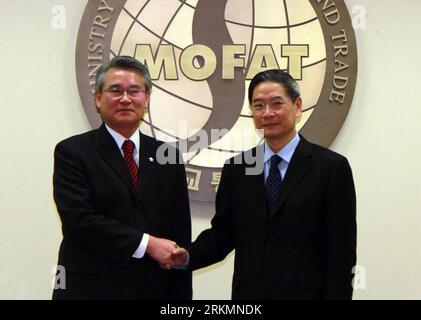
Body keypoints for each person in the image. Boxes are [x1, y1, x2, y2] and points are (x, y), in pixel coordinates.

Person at [171, 69, 357, 300]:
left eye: (276, 103)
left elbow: (341, 252)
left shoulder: (330, 168)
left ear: (297, 106)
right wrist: (188, 255)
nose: (267, 113)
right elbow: (223, 233)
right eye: (258, 106)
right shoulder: (237, 168)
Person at [52, 56, 192, 300]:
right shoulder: (73, 152)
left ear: (146, 98)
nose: (125, 99)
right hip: (91, 290)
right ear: (98, 98)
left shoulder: (168, 156)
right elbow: (80, 220)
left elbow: (179, 233)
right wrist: (147, 244)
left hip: (154, 289)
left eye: (134, 90)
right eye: (115, 90)